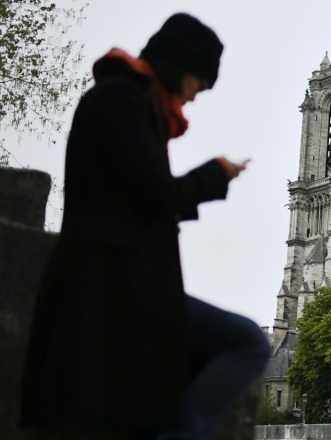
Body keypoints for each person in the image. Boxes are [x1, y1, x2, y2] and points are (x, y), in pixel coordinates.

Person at [19, 13, 270, 440]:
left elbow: (143, 196)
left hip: (120, 286)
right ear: (180, 68)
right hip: (114, 288)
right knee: (246, 342)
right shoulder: (120, 101)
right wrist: (215, 175)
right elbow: (155, 195)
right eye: (197, 83)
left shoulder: (129, 103)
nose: (193, 98)